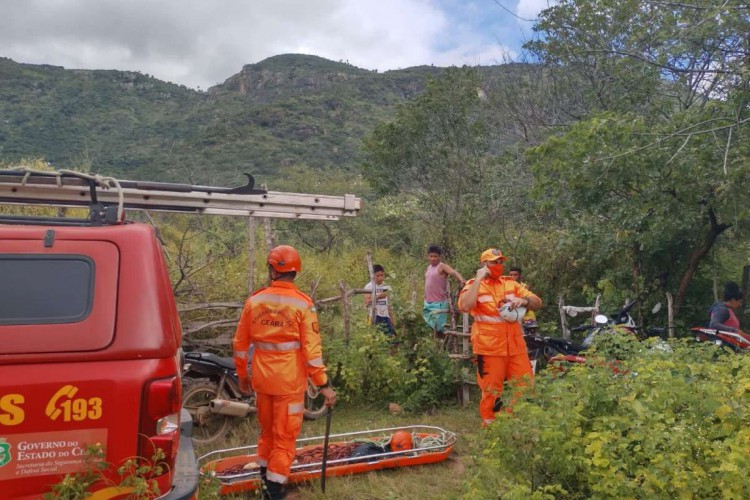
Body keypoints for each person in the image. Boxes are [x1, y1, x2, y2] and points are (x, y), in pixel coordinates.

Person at [233, 245, 336, 500]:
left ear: (271, 270)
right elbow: (312, 352)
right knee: (284, 439)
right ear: (295, 272)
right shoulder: (303, 305)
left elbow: (240, 345)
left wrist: (243, 378)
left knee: (267, 434)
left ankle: (265, 483)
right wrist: (323, 384)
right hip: (289, 385)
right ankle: (275, 492)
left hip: (262, 382)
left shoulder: (254, 301)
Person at [458, 248, 542, 427]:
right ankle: (491, 430)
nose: (498, 266)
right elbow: (465, 306)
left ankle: (515, 425)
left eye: (500, 262)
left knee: (525, 387)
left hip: (515, 347)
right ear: (484, 265)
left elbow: (537, 302)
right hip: (489, 349)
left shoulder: (511, 284)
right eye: (494, 262)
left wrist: (524, 301)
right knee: (491, 392)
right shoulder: (474, 285)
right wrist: (479, 279)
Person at [423, 245, 465, 335]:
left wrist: (461, 280)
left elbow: (453, 272)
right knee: (429, 327)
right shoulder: (428, 268)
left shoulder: (442, 266)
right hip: (428, 302)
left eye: (435, 256)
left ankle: (442, 346)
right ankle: (434, 346)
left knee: (439, 328)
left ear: (439, 257)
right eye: (431, 256)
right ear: (428, 257)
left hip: (439, 303)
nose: (433, 258)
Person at [364, 264, 396, 337]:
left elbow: (389, 305)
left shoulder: (386, 286)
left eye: (382, 275)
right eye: (378, 276)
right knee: (376, 338)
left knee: (392, 340)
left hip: (386, 316)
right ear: (373, 276)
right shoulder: (369, 287)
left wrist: (392, 319)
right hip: (374, 316)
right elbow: (366, 303)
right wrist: (378, 297)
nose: (380, 278)